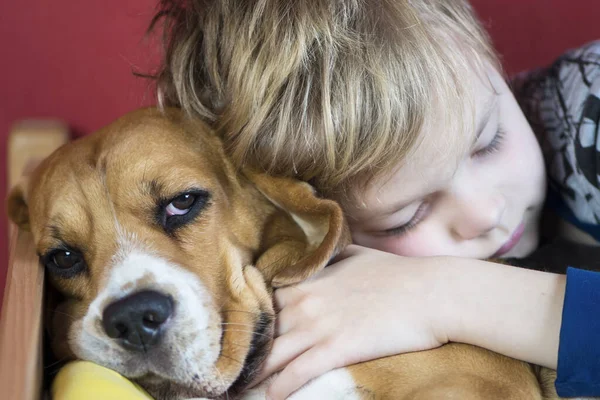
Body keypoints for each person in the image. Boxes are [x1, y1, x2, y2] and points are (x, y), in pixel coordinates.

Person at [151, 1, 600, 398]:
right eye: (405, 217)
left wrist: (442, 295)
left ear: (493, 65)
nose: (485, 213)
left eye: (489, 141)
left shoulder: (589, 107)